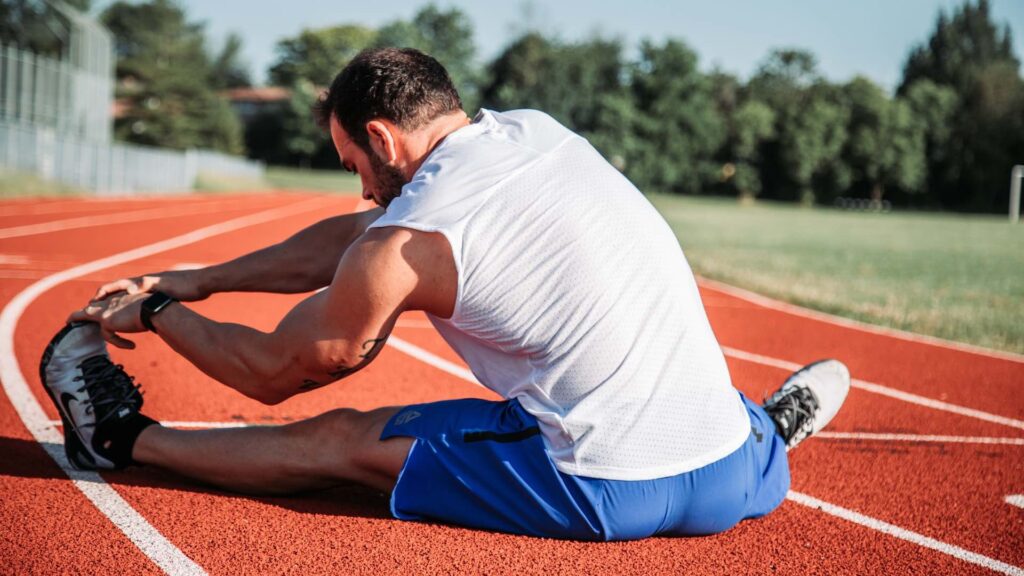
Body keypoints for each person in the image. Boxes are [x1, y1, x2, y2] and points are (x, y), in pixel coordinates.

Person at [41, 47, 850, 541]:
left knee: (338, 441)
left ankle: (119, 441)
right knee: (675, 372)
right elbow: (360, 239)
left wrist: (157, 310)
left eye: (353, 164)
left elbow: (274, 370)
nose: (358, 188)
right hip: (728, 477)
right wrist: (201, 279)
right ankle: (768, 433)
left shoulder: (404, 241)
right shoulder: (533, 132)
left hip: (600, 483)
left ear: (383, 140)